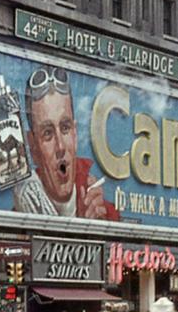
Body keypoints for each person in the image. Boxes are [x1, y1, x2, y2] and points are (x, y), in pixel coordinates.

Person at [14, 64, 119, 220]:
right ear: (33, 147)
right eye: (48, 133)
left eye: (65, 128)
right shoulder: (18, 221)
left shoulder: (104, 212)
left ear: (75, 135)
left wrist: (99, 227)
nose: (60, 146)